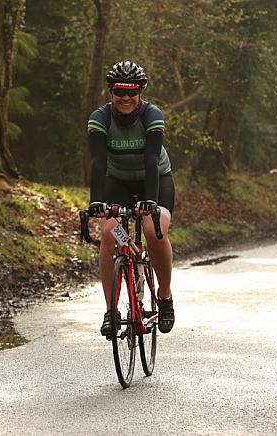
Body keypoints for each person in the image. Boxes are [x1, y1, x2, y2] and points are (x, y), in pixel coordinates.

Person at [87, 60, 175, 337]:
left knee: (153, 230)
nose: (125, 98)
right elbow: (98, 163)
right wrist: (96, 202)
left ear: (141, 92)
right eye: (119, 92)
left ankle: (164, 296)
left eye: (132, 92)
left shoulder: (152, 115)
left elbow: (151, 160)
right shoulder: (100, 118)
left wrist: (150, 201)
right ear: (110, 92)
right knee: (110, 234)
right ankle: (110, 310)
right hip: (118, 181)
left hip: (156, 179)